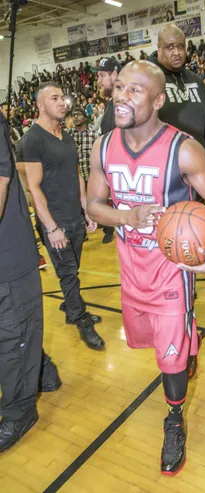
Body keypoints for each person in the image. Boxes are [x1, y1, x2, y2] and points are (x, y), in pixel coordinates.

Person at [87, 60, 205, 475]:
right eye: (119, 87)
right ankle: (188, 345)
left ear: (158, 100)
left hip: (172, 271)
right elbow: (93, 206)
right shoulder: (103, 147)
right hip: (130, 268)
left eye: (135, 90)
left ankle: (174, 419)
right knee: (152, 342)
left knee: (168, 359)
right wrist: (127, 217)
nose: (121, 96)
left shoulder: (184, 148)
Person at [16, 82, 105, 351]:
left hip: (74, 216)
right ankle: (80, 319)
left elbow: (78, 175)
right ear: (41, 105)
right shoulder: (31, 140)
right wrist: (51, 227)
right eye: (54, 98)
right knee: (68, 274)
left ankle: (71, 306)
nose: (62, 102)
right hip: (54, 221)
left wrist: (86, 209)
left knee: (73, 268)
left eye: (62, 97)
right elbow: (34, 188)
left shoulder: (66, 137)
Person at [0, 110, 61, 453]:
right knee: (12, 332)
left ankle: (19, 410)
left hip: (7, 256)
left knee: (11, 333)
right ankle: (42, 371)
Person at [149, 25, 205, 189]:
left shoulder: (196, 81)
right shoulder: (148, 80)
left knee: (198, 214)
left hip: (197, 170)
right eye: (170, 47)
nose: (177, 52)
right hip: (163, 174)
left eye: (181, 46)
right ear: (159, 48)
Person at [92, 58, 122, 244]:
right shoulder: (112, 104)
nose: (98, 80)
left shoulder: (123, 103)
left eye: (102, 75)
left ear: (115, 74)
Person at [69, 107, 99, 184]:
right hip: (74, 179)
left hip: (92, 178)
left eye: (78, 114)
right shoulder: (68, 136)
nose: (75, 117)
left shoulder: (94, 135)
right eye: (73, 115)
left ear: (85, 118)